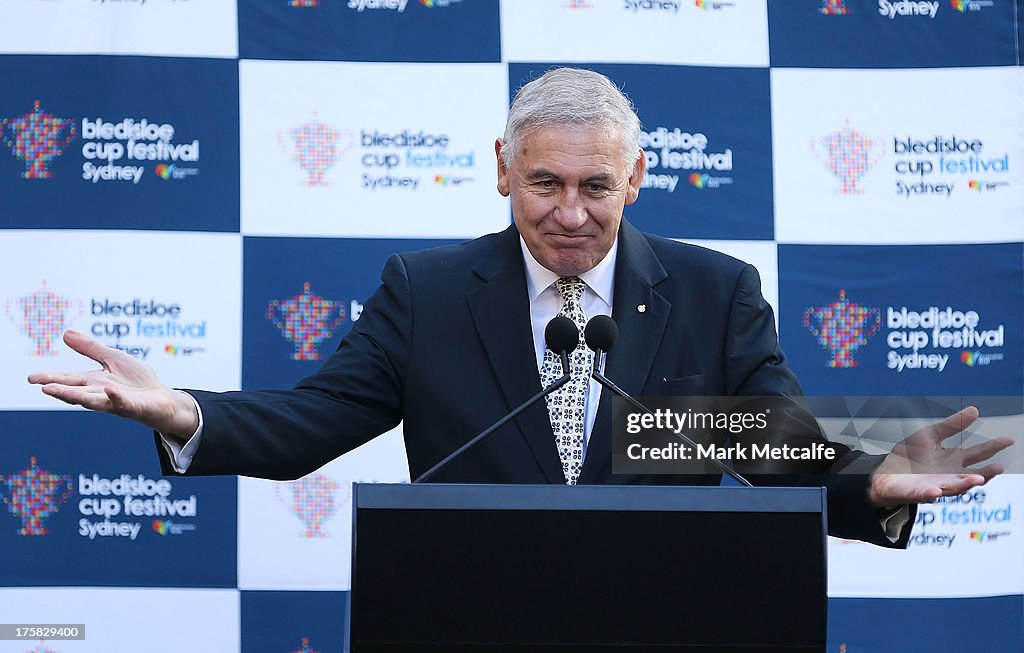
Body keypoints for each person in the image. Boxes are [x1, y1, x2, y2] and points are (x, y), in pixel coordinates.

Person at [28, 68, 1010, 547]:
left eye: (596, 186)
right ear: (502, 170)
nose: (571, 213)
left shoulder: (713, 291)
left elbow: (762, 441)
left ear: (638, 178)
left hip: (666, 617)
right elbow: (313, 421)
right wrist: (185, 410)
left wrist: (870, 479)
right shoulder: (429, 290)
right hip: (470, 611)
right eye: (544, 183)